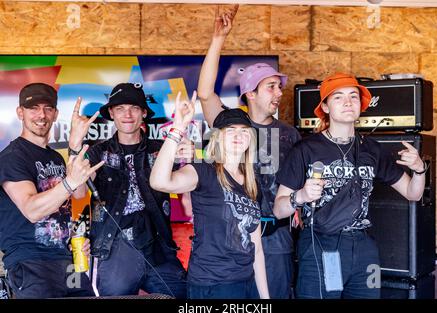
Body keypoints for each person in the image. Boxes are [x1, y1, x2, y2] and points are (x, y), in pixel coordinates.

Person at [274, 73, 427, 299]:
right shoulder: (306, 149)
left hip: (364, 247)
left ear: (361, 105)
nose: (347, 102)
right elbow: (278, 209)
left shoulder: (372, 149)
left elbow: (413, 193)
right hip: (320, 243)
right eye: (338, 97)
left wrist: (419, 168)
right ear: (325, 107)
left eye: (353, 96)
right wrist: (302, 196)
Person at [196, 5, 300, 298]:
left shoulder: (290, 134)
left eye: (279, 88)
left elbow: (296, 182)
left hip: (277, 239)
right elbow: (205, 93)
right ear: (250, 93)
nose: (279, 93)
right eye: (271, 87)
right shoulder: (232, 124)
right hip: (233, 239)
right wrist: (218, 39)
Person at [69, 83, 189, 298]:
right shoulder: (98, 151)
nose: (127, 114)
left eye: (134, 108)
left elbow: (189, 199)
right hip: (113, 249)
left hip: (159, 247)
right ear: (112, 114)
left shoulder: (162, 149)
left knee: (182, 297)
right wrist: (75, 144)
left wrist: (189, 158)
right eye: (120, 108)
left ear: (144, 113)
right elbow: (78, 193)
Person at [150, 92, 270, 299]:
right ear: (218, 137)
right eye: (230, 130)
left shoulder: (252, 183)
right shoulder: (203, 171)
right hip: (211, 284)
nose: (238, 135)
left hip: (246, 282)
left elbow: (256, 249)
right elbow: (159, 182)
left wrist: (265, 297)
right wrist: (177, 129)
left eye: (244, 131)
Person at [0, 83, 103, 298]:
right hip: (31, 262)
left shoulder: (55, 157)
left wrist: (75, 145)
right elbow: (32, 210)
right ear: (20, 112)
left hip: (66, 260)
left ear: (55, 114)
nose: (41, 115)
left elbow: (78, 193)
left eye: (48, 108)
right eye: (33, 108)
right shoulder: (12, 157)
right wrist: (69, 182)